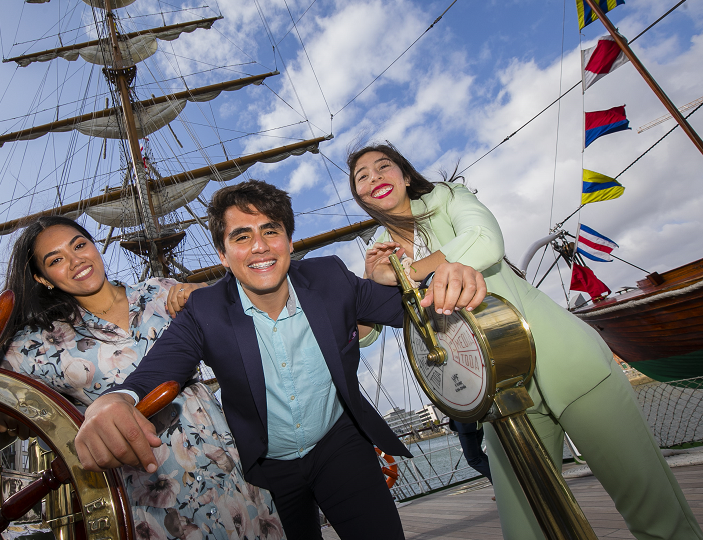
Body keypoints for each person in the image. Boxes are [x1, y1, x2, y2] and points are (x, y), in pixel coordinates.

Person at [72, 180, 488, 540]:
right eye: (241, 236)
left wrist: (448, 280)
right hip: (266, 467)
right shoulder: (206, 310)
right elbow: (160, 367)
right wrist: (115, 400)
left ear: (289, 241)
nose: (259, 246)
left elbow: (409, 307)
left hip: (339, 446)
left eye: (270, 231)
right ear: (223, 254)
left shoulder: (329, 279)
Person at [348, 142, 703, 540]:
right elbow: (366, 334)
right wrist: (368, 283)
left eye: (384, 166)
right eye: (363, 176)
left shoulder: (446, 197)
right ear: (359, 196)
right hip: (497, 391)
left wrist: (407, 272)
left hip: (563, 359)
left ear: (405, 176)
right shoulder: (380, 251)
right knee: (525, 527)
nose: (375, 176)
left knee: (652, 508)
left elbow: (484, 240)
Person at [0, 215, 285, 540]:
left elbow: (240, 335)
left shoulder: (160, 291)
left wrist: (204, 295)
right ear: (42, 278)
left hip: (228, 464)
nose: (76, 260)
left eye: (80, 245)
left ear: (94, 246)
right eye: (56, 259)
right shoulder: (37, 344)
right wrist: (2, 414)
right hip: (154, 494)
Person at [447, 419, 492, 484]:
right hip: (477, 423)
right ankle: (498, 478)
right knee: (479, 455)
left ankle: (498, 478)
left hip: (465, 426)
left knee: (473, 460)